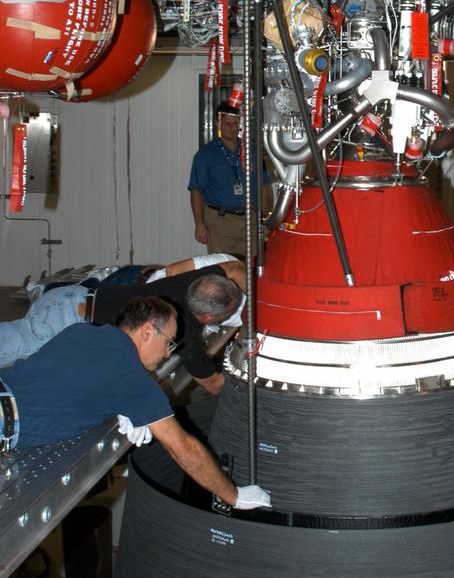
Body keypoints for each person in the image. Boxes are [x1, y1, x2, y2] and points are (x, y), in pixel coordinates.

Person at [0, 296, 269, 511]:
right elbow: (183, 449)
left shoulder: (80, 331)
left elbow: (72, 380)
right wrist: (234, 496)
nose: (167, 355)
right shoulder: (132, 377)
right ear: (148, 331)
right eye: (169, 343)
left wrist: (122, 406)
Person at [0, 264, 244, 394]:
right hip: (64, 320)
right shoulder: (185, 333)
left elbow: (233, 268)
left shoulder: (198, 283)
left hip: (74, 297)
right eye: (230, 313)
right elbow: (213, 385)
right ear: (209, 317)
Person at [188, 103, 271, 256]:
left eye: (235, 124)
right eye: (227, 124)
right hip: (220, 221)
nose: (232, 128)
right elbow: (196, 191)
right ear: (217, 123)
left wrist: (263, 218)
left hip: (249, 220)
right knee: (223, 269)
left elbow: (264, 186)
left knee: (249, 269)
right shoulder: (205, 155)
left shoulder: (252, 150)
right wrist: (199, 224)